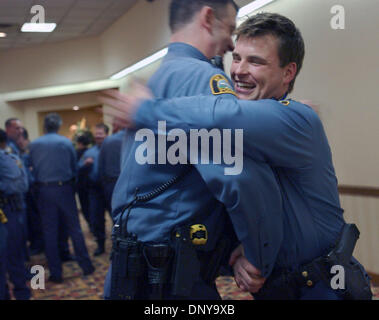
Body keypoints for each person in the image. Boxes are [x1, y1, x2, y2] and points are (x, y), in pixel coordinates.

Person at [103, 13, 373, 300]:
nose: (239, 71)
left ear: (288, 72)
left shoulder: (297, 119)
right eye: (238, 58)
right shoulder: (249, 130)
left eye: (255, 61)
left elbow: (223, 114)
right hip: (278, 288)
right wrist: (246, 247)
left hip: (322, 287)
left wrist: (144, 110)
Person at [100, 0, 286, 300]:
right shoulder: (204, 78)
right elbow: (235, 177)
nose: (230, 43)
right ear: (208, 17)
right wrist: (257, 252)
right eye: (230, 29)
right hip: (172, 275)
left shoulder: (158, 79)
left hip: (134, 266)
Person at [29, 113, 95, 283]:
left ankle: (56, 274)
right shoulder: (66, 142)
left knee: (49, 233)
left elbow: (31, 168)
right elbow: (74, 167)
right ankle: (86, 266)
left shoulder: (34, 144)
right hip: (64, 188)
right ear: (58, 126)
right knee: (75, 229)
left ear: (44, 126)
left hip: (43, 190)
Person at [0, 129, 31, 300]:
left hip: (8, 212)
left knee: (13, 258)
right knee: (14, 258)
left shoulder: (6, 158)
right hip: (14, 211)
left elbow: (20, 185)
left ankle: (23, 293)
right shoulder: (12, 157)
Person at [78, 123, 109, 256]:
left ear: (107, 135)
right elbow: (78, 168)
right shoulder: (89, 152)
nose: (98, 136)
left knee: (117, 217)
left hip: (110, 187)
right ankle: (100, 245)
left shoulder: (113, 149)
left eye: (100, 134)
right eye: (96, 134)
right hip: (95, 190)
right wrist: (85, 164)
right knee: (96, 219)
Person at [98, 122, 126, 216]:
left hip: (112, 184)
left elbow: (101, 167)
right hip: (136, 185)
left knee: (116, 216)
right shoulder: (142, 137)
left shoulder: (109, 141)